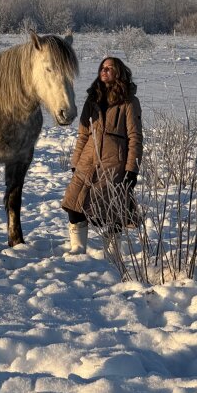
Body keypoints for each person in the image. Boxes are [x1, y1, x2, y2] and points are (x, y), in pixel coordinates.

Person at [61, 56, 143, 257]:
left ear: (119, 72)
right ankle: (78, 248)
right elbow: (83, 134)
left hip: (115, 162)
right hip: (88, 160)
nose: (104, 70)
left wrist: (131, 169)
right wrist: (76, 162)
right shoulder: (93, 98)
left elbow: (135, 137)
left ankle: (112, 253)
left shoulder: (130, 102)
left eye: (109, 68)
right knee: (75, 204)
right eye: (102, 67)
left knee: (113, 210)